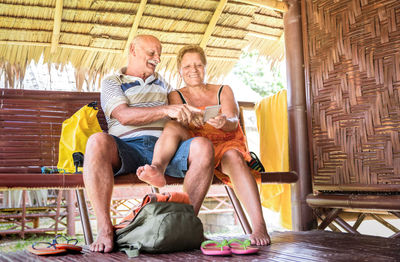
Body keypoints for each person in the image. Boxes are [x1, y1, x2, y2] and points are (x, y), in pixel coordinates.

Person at [83, 35, 215, 253]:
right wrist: (165, 110)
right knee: (97, 141)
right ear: (133, 50)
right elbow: (123, 116)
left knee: (203, 145)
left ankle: (186, 224)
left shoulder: (165, 84)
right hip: (127, 148)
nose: (157, 58)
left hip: (165, 147)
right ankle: (105, 229)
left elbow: (180, 113)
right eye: (152, 53)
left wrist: (194, 115)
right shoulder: (112, 82)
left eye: (159, 54)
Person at [137, 45, 271, 246]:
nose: (193, 70)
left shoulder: (223, 90)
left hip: (226, 142)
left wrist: (224, 121)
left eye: (199, 65)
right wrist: (192, 121)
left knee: (234, 157)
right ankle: (158, 168)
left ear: (206, 67)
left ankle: (259, 226)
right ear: (180, 70)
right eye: (188, 66)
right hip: (197, 144)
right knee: (174, 125)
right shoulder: (176, 95)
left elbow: (233, 119)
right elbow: (179, 124)